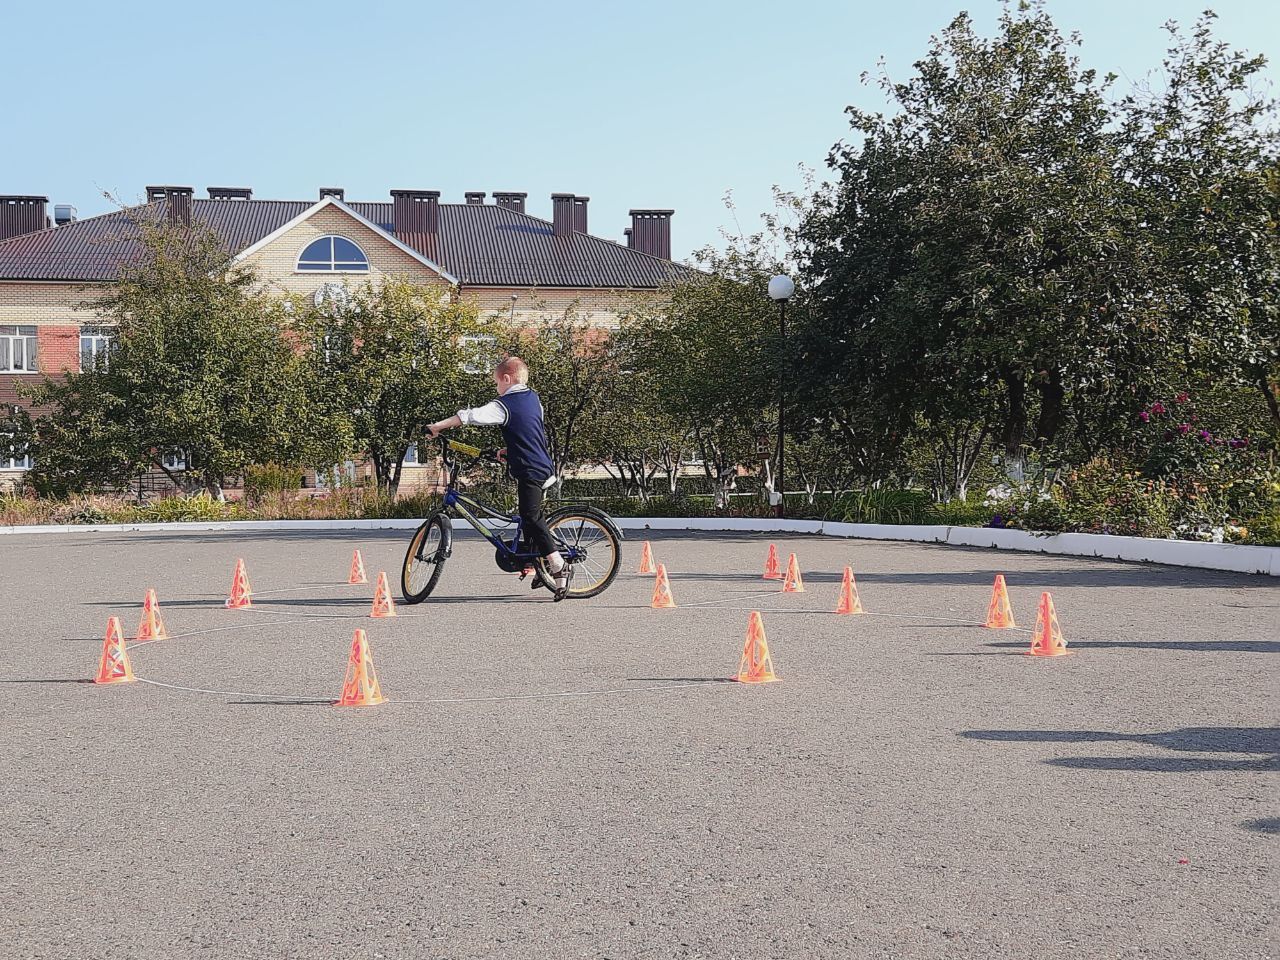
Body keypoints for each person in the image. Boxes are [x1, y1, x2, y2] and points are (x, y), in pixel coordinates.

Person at [427, 356, 572, 599]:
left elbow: (470, 416)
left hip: (531, 469)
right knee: (527, 516)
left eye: (496, 383)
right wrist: (509, 451)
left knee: (530, 515)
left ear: (506, 379)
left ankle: (558, 564)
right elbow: (528, 430)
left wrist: (437, 427)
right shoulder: (533, 398)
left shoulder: (506, 404)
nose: (496, 389)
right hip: (538, 463)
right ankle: (537, 560)